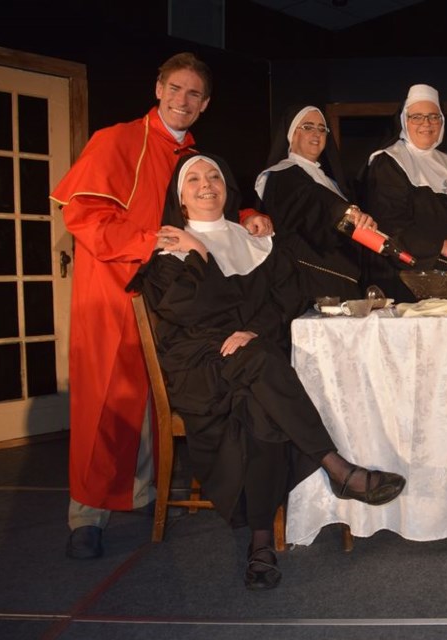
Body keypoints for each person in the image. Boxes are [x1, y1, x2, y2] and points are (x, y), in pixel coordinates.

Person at [129, 153, 406, 590]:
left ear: (227, 186)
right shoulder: (172, 247)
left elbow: (287, 298)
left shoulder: (254, 238)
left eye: (214, 175)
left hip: (249, 360)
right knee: (262, 367)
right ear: (180, 198)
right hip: (200, 365)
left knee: (260, 399)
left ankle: (260, 544)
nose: (206, 184)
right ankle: (335, 467)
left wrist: (253, 331)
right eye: (194, 179)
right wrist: (200, 253)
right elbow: (194, 310)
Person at [50, 53, 272, 560]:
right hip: (115, 288)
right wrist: (149, 239)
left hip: (172, 295)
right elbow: (82, 216)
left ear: (205, 104)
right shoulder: (116, 140)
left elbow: (208, 201)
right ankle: (88, 516)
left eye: (194, 94)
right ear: (158, 88)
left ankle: (145, 492)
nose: (183, 100)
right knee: (105, 401)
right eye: (175, 88)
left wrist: (251, 213)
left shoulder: (191, 154)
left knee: (157, 398)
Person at [363, 83, 447, 302]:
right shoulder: (388, 161)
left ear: (442, 121)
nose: (426, 123)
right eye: (417, 117)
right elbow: (389, 224)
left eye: (434, 116)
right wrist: (441, 246)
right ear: (405, 121)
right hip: (406, 279)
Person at [255, 105, 377, 302]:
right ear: (292, 134)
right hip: (307, 284)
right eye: (308, 127)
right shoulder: (283, 175)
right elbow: (311, 200)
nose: (316, 133)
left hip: (343, 283)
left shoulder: (332, 182)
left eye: (322, 129)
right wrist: (344, 210)